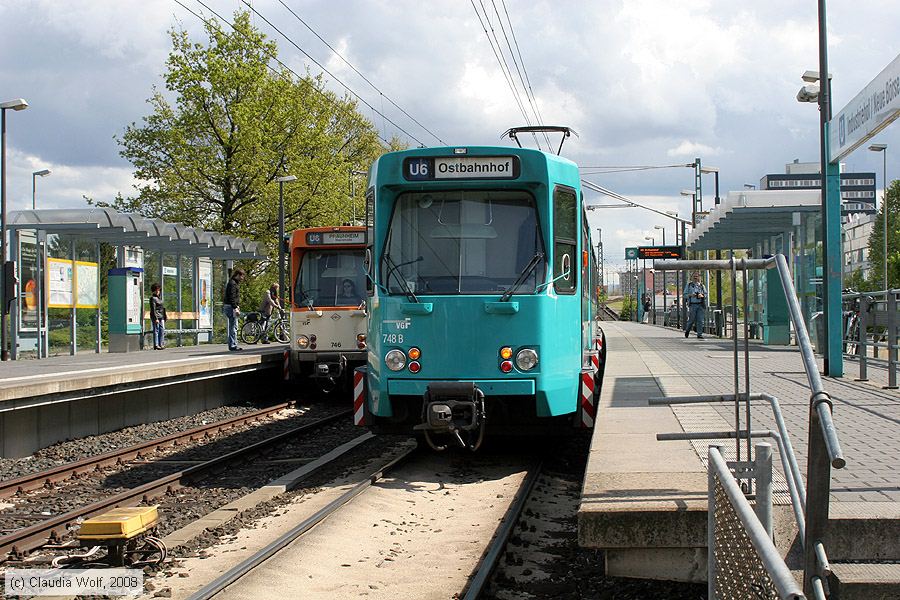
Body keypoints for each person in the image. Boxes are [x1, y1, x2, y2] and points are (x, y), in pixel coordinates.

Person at [223, 268, 246, 351]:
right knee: (233, 326)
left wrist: (236, 306)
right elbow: (232, 297)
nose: (242, 278)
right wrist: (235, 307)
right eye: (242, 276)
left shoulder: (233, 283)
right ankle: (233, 345)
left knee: (234, 326)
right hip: (230, 307)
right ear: (238, 275)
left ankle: (233, 344)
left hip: (230, 306)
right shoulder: (233, 284)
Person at [683, 271, 708, 339]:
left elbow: (705, 295)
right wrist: (691, 295)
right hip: (692, 305)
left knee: (700, 320)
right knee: (691, 320)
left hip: (700, 305)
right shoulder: (689, 285)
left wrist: (702, 295)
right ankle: (687, 331)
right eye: (694, 276)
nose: (695, 278)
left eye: (697, 276)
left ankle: (699, 334)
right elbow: (684, 295)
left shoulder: (702, 286)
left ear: (699, 277)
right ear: (692, 277)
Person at [149, 283, 167, 350]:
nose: (157, 292)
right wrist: (155, 318)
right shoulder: (152, 298)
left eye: (158, 290)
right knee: (156, 330)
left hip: (161, 316)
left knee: (162, 330)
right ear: (153, 291)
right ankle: (156, 345)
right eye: (156, 290)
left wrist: (165, 316)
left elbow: (163, 308)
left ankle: (161, 344)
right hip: (156, 316)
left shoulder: (159, 298)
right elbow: (153, 309)